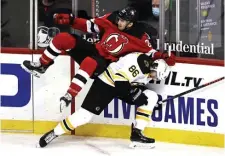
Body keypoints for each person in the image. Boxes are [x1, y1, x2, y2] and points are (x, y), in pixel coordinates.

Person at [21, 6, 175, 110]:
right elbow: (89, 25)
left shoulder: (137, 37)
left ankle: (70, 95)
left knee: (90, 62)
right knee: (63, 38)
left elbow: (151, 52)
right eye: (119, 19)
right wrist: (72, 20)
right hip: (94, 50)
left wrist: (165, 57)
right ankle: (42, 65)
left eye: (123, 20)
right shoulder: (111, 21)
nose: (119, 22)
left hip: (105, 63)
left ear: (130, 23)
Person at [37, 52, 173, 148]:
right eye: (156, 76)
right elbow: (120, 82)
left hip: (122, 85)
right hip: (106, 83)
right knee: (84, 117)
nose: (154, 78)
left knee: (151, 97)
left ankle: (137, 134)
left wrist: (147, 104)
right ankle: (54, 133)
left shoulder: (149, 70)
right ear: (155, 68)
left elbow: (132, 85)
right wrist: (136, 97)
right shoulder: (141, 64)